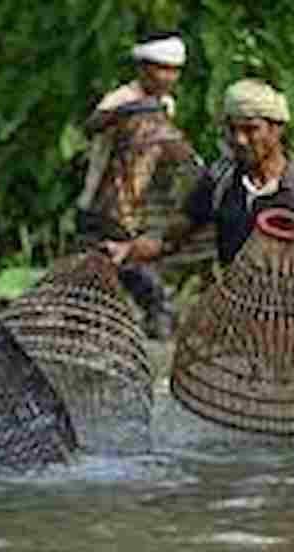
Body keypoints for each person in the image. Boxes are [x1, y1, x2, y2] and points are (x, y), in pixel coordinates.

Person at [102, 78, 294, 314]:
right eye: (232, 130)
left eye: (251, 129)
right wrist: (127, 250)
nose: (239, 140)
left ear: (277, 129)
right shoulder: (219, 181)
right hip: (235, 313)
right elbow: (170, 239)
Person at [75, 32, 188, 339]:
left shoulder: (166, 104)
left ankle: (153, 313)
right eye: (160, 68)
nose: (167, 77)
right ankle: (154, 311)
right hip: (105, 195)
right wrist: (137, 110)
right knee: (112, 259)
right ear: (142, 68)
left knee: (119, 259)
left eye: (173, 70)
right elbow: (93, 124)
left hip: (137, 198)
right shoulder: (123, 98)